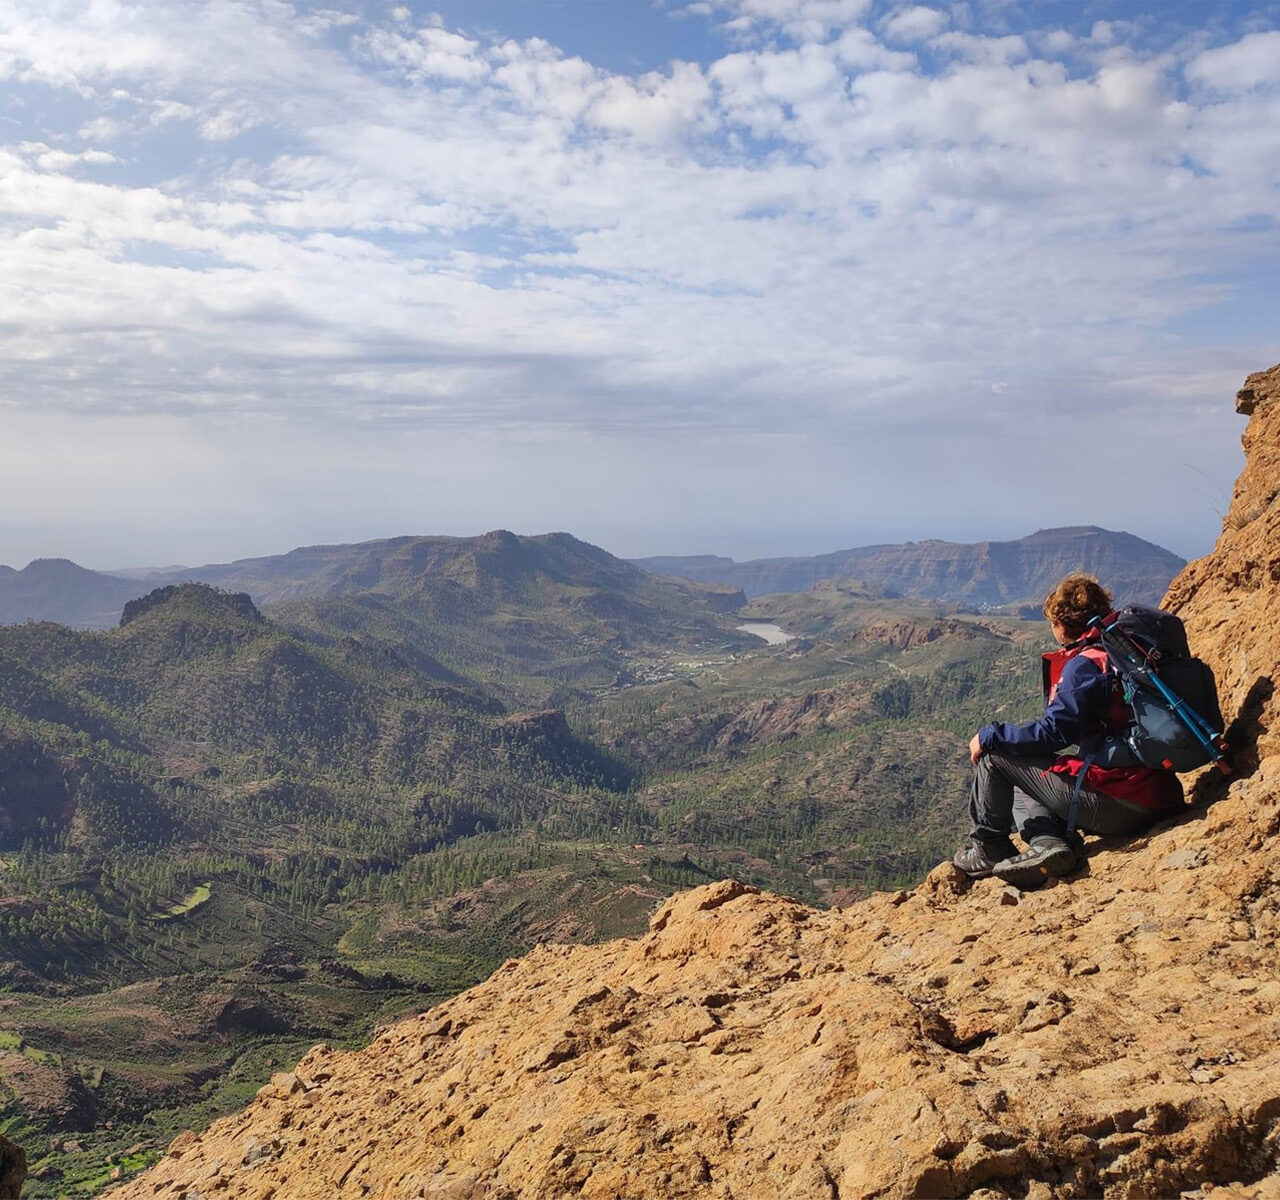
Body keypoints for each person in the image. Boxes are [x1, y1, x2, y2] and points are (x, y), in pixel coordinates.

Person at [953, 573, 1184, 889]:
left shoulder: (1086, 664)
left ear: (1062, 625)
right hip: (1161, 793)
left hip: (1123, 804)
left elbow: (1054, 733)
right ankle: (1049, 843)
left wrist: (991, 734)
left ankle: (990, 848)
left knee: (996, 757)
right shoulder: (1129, 650)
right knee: (1026, 775)